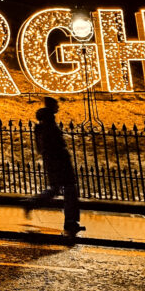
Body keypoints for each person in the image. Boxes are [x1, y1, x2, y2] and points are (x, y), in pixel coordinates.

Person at [24, 97, 85, 238]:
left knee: (56, 188)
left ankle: (32, 203)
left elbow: (42, 148)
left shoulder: (42, 125)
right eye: (56, 104)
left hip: (52, 160)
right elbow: (54, 144)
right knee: (70, 188)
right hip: (59, 160)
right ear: (51, 107)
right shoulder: (49, 123)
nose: (58, 106)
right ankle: (71, 221)